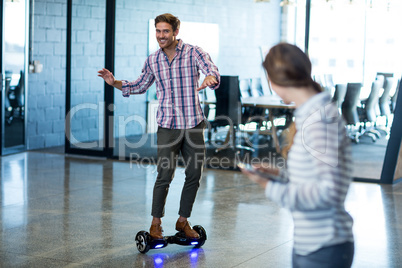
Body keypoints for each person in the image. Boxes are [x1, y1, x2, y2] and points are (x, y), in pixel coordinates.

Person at [98, 13, 220, 239]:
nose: (161, 36)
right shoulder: (153, 60)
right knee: (164, 174)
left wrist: (211, 78)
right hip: (167, 126)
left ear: (175, 32)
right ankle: (156, 224)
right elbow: (139, 84)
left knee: (194, 173)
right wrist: (113, 82)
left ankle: (183, 221)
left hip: (193, 124)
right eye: (158, 31)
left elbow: (211, 69)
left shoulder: (194, 52)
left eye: (165, 31)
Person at [240, 43, 354, 268]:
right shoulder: (311, 114)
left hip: (324, 246)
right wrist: (280, 174)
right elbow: (314, 177)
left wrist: (269, 186)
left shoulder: (318, 120)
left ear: (275, 80)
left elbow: (329, 192)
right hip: (311, 244)